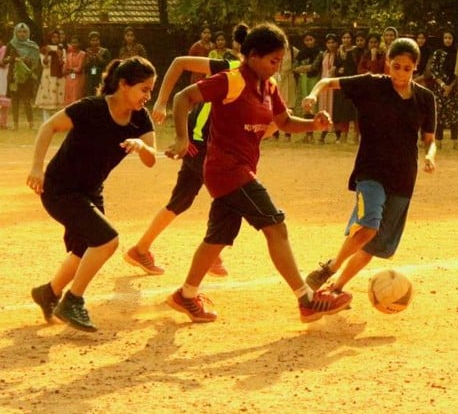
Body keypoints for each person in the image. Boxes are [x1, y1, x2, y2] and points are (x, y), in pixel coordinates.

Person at [164, 22, 352, 324]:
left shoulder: (269, 86)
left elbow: (285, 121)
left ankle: (186, 296)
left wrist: (313, 124)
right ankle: (306, 299)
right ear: (252, 55)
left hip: (236, 170)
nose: (277, 67)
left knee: (218, 237)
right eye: (272, 61)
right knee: (275, 225)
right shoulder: (233, 80)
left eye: (280, 61)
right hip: (228, 171)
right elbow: (182, 97)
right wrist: (182, 139)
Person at [28, 57, 157, 332]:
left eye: (151, 91)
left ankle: (49, 293)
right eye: (144, 89)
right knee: (107, 240)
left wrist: (141, 146)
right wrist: (37, 168)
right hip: (59, 188)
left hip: (89, 191)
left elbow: (151, 159)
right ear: (124, 85)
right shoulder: (92, 108)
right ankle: (73, 300)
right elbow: (47, 126)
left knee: (83, 250)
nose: (148, 96)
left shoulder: (140, 118)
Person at [303, 37, 436, 295]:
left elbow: (430, 140)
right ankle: (330, 268)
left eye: (407, 68)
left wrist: (431, 156)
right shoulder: (372, 84)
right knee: (368, 228)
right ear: (388, 63)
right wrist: (312, 94)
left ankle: (337, 287)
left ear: (415, 68)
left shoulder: (425, 98)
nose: (400, 73)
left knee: (374, 245)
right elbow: (328, 82)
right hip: (371, 171)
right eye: (396, 66)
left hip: (403, 177)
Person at [125, 24, 249, 277]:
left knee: (182, 199)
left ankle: (140, 249)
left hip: (210, 142)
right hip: (201, 141)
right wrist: (161, 102)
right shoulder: (230, 68)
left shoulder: (261, 82)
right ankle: (212, 254)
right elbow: (180, 62)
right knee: (228, 195)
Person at [422, 30, 458, 149]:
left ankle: (455, 141)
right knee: (439, 114)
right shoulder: (437, 53)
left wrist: (451, 86)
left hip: (453, 88)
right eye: (446, 38)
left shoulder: (457, 53)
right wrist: (443, 85)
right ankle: (438, 141)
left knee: (453, 115)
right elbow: (433, 70)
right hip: (439, 88)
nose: (448, 40)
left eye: (450, 38)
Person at [2, 23, 42, 130]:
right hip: (14, 77)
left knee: (26, 100)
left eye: (24, 32)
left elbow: (37, 64)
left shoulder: (33, 46)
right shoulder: (11, 44)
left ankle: (31, 124)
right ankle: (15, 125)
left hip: (27, 77)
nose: (22, 34)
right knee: (14, 101)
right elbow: (3, 61)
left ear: (28, 33)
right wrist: (13, 59)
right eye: (19, 31)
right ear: (15, 32)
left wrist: (29, 62)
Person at [293, 31, 323, 143]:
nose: (309, 42)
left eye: (311, 39)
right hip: (303, 81)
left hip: (315, 80)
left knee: (313, 106)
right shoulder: (301, 53)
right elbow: (294, 66)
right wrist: (302, 68)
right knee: (305, 106)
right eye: (306, 40)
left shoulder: (319, 52)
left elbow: (314, 66)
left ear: (315, 40)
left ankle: (313, 134)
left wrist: (302, 68)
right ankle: (307, 134)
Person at [332, 30, 359, 144]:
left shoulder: (356, 51)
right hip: (343, 83)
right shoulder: (339, 52)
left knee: (356, 111)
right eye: (344, 38)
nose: (346, 40)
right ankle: (343, 135)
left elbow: (357, 65)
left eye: (348, 37)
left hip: (355, 83)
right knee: (343, 110)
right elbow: (336, 66)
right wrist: (338, 70)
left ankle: (356, 136)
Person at [34, 30, 66, 122]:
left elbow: (64, 64)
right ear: (49, 38)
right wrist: (47, 53)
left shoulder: (62, 49)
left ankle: (58, 122)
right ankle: (46, 121)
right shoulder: (44, 49)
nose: (55, 39)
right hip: (47, 77)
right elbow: (44, 64)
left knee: (58, 100)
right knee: (46, 98)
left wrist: (59, 56)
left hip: (59, 78)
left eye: (57, 37)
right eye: (53, 37)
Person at [83, 31, 111, 97]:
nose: (95, 42)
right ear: (89, 41)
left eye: (96, 40)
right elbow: (84, 65)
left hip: (101, 74)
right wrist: (89, 59)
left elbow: (108, 64)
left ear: (99, 40)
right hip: (91, 75)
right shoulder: (87, 51)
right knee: (90, 92)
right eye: (92, 40)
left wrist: (99, 57)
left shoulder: (105, 51)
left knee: (101, 91)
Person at [63, 35, 86, 106]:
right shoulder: (68, 55)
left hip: (79, 78)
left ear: (80, 43)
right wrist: (71, 70)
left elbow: (79, 69)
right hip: (69, 79)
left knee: (76, 97)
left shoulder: (83, 54)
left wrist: (70, 70)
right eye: (72, 42)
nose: (74, 44)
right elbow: (64, 69)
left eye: (76, 42)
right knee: (68, 97)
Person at [0, 38, 8, 129]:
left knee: (4, 103)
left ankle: (3, 123)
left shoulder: (5, 49)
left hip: (4, 77)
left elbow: (4, 63)